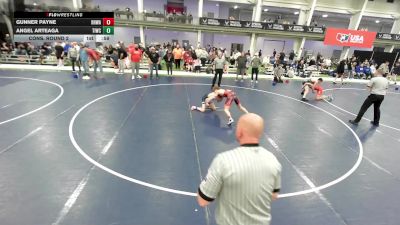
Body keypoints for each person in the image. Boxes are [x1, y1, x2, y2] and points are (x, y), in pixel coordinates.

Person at [197, 113, 281, 225]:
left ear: (240, 132)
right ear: (259, 133)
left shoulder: (223, 161)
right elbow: (274, 195)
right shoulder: (272, 160)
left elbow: (203, 200)